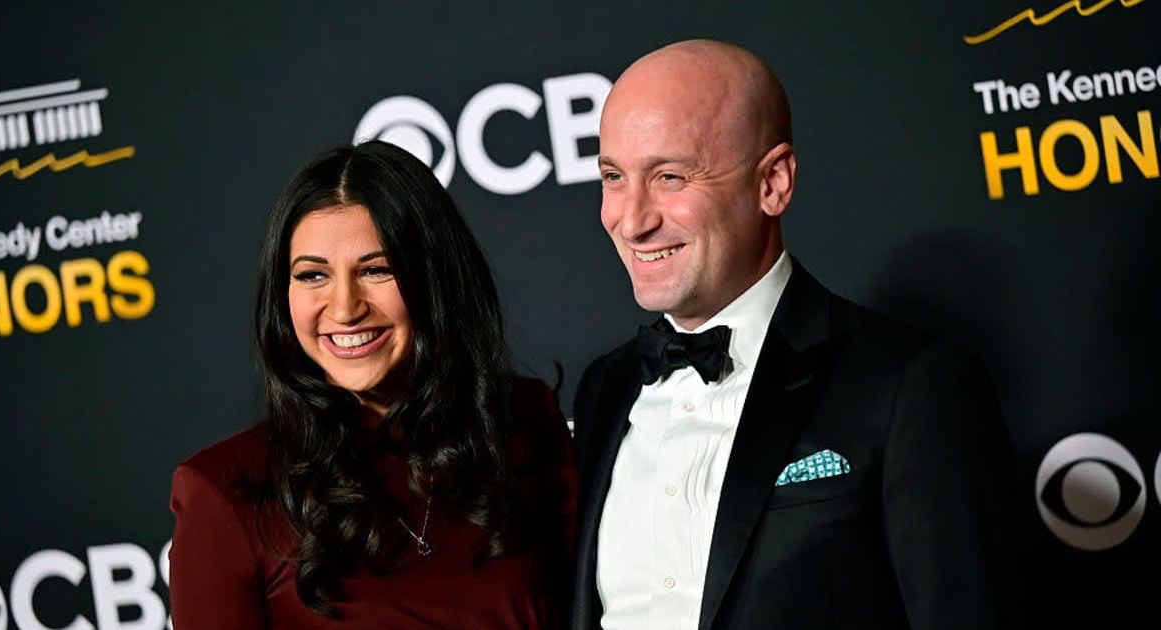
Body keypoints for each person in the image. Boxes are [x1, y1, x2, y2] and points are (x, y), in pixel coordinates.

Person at [572, 40, 1020, 630]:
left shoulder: (906, 385)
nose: (632, 219)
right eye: (613, 177)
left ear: (774, 183)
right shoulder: (604, 389)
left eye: (671, 176)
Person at [168, 140, 576, 628]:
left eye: (377, 270)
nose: (344, 308)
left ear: (435, 279)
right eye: (313, 275)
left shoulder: (525, 422)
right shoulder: (225, 493)